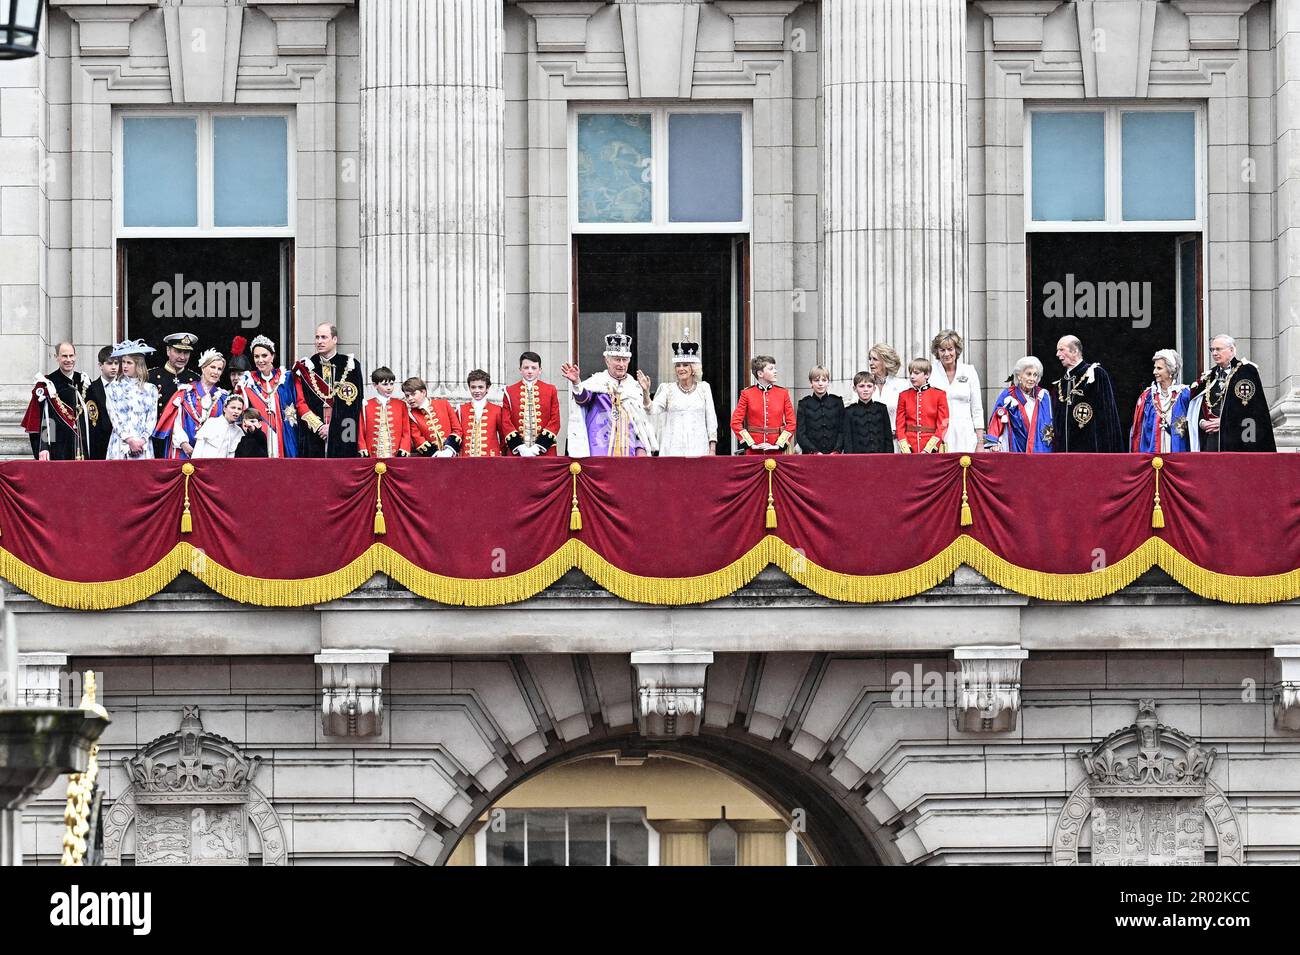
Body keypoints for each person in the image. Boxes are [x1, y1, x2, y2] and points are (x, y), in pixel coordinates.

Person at [562, 324, 658, 457]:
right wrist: (577, 383)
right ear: (607, 361)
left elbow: (640, 423)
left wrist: (641, 448)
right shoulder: (596, 383)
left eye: (624, 360)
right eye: (617, 359)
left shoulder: (634, 387)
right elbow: (582, 400)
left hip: (628, 452)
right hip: (599, 449)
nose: (621, 364)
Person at [1186, 334, 1277, 452]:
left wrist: (1224, 422)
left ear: (1232, 350)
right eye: (1212, 349)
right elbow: (1199, 406)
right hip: (1211, 439)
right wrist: (1202, 422)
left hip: (1236, 439)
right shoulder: (1210, 376)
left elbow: (1252, 409)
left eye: (1218, 349)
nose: (1214, 353)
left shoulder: (1246, 371)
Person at [638, 331, 718, 457]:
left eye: (685, 365)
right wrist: (646, 392)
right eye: (678, 365)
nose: (681, 369)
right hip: (672, 449)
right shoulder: (667, 389)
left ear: (693, 369)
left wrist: (712, 449)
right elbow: (651, 410)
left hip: (698, 448)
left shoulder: (704, 388)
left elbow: (711, 420)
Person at [293, 323, 365, 458]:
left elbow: (355, 404)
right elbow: (300, 402)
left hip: (344, 432)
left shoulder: (351, 365)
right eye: (317, 337)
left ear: (335, 339)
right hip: (314, 433)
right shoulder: (306, 367)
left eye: (324, 337)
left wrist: (332, 429)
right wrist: (319, 427)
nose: (319, 341)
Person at [1051, 335, 1124, 452]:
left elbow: (1107, 416)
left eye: (1061, 350)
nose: (1057, 354)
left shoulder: (1096, 374)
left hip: (1091, 452)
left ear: (1075, 351)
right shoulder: (1061, 384)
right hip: (1064, 455)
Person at [20, 341, 91, 461]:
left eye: (71, 355)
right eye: (64, 356)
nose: (69, 360)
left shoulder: (83, 381)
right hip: (59, 447)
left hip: (83, 447)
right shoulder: (48, 384)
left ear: (75, 356)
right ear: (56, 357)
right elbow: (46, 418)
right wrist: (44, 447)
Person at [158, 349, 228, 461]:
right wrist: (184, 444)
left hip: (212, 453)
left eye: (219, 369)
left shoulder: (223, 398)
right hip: (184, 451)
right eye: (212, 367)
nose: (216, 371)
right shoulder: (185, 392)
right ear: (203, 367)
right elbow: (175, 422)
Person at [236, 335, 298, 458]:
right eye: (256, 356)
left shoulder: (286, 378)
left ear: (273, 356)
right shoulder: (248, 381)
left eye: (264, 355)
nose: (260, 360)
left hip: (283, 434)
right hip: (260, 437)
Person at [929, 330, 985, 453]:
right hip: (938, 432)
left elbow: (977, 408)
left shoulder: (969, 371)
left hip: (965, 432)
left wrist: (980, 442)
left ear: (956, 350)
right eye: (942, 350)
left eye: (950, 349)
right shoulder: (930, 372)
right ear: (937, 352)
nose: (946, 354)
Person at [985, 357, 1055, 453]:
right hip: (1016, 445)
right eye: (1028, 374)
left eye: (1035, 375)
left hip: (1040, 448)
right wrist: (993, 441)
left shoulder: (1043, 396)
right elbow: (997, 417)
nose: (1032, 379)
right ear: (1019, 376)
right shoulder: (1009, 394)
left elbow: (1050, 422)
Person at [104, 341, 160, 460]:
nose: (125, 366)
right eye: (123, 362)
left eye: (129, 363)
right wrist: (129, 440)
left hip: (143, 444)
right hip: (120, 442)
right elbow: (114, 417)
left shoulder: (150, 389)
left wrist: (142, 440)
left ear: (138, 365)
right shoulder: (113, 388)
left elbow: (151, 418)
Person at [146, 332, 199, 458]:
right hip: (159, 438)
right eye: (178, 351)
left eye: (186, 353)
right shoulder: (151, 377)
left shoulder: (195, 379)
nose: (182, 357)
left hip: (186, 443)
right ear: (168, 351)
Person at [731, 355, 796, 455]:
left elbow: (791, 423)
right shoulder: (747, 394)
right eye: (771, 369)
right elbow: (735, 422)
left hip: (776, 451)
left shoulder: (783, 393)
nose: (775, 371)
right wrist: (750, 444)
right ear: (760, 373)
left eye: (775, 368)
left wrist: (779, 444)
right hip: (753, 451)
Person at [1130, 349, 1192, 454]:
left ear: (1170, 370)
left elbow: (1190, 428)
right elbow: (1138, 430)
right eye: (1155, 368)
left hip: (1178, 455)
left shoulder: (1184, 395)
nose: (1155, 372)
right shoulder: (1148, 397)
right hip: (1151, 455)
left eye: (1159, 368)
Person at [503, 351, 561, 457]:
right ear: (520, 370)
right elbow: (506, 422)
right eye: (526, 368)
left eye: (534, 368)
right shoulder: (509, 391)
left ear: (540, 370)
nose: (530, 371)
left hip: (545, 451)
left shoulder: (550, 390)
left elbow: (555, 421)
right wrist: (520, 447)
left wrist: (538, 447)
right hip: (517, 452)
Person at [895, 358, 950, 454]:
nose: (912, 376)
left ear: (927, 375)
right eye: (911, 373)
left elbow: (943, 424)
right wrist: (906, 448)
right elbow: (900, 425)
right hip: (909, 447)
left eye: (916, 373)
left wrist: (929, 448)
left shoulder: (939, 395)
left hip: (931, 447)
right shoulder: (903, 395)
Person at [359, 366, 412, 458]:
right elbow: (361, 430)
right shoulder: (366, 405)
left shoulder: (401, 405)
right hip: (372, 455)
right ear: (375, 385)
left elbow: (406, 430)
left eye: (391, 384)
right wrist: (362, 448)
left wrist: (404, 448)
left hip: (396, 456)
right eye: (385, 384)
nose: (389, 388)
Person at [402, 377, 462, 457]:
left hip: (452, 455)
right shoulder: (412, 415)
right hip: (431, 458)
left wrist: (449, 450)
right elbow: (418, 440)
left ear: (423, 392)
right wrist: (435, 454)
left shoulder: (444, 404)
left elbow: (457, 429)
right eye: (407, 396)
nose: (410, 398)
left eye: (413, 394)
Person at [459, 369, 509, 457]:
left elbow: (503, 437)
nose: (477, 391)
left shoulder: (497, 410)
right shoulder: (461, 410)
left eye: (481, 387)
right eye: (473, 387)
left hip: (490, 459)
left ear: (487, 388)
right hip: (466, 460)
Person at [796, 365, 844, 454]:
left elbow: (842, 431)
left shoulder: (837, 402)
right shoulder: (804, 404)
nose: (820, 384)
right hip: (811, 455)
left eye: (824, 380)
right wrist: (814, 451)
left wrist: (836, 450)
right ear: (811, 383)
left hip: (834, 455)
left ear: (828, 382)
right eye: (816, 380)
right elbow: (800, 434)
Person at [841, 373, 893, 454]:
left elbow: (888, 438)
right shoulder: (849, 411)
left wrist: (889, 459)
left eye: (869, 386)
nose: (866, 389)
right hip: (858, 460)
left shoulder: (882, 409)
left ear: (874, 389)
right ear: (855, 389)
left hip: (880, 458)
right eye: (861, 386)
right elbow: (848, 441)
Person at [85, 346, 119, 460]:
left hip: (120, 444)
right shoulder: (91, 388)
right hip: (100, 445)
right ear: (100, 365)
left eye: (116, 363)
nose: (114, 367)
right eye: (109, 363)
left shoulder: (124, 388)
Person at [192, 393, 248, 459]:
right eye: (233, 408)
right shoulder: (211, 422)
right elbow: (198, 449)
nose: (236, 411)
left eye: (239, 409)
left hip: (224, 467)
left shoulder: (239, 431)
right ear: (224, 408)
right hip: (205, 466)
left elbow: (234, 456)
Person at [868, 343, 908, 425]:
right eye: (870, 359)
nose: (871, 363)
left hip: (895, 436)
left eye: (875, 359)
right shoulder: (863, 384)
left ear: (885, 362)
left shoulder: (903, 385)